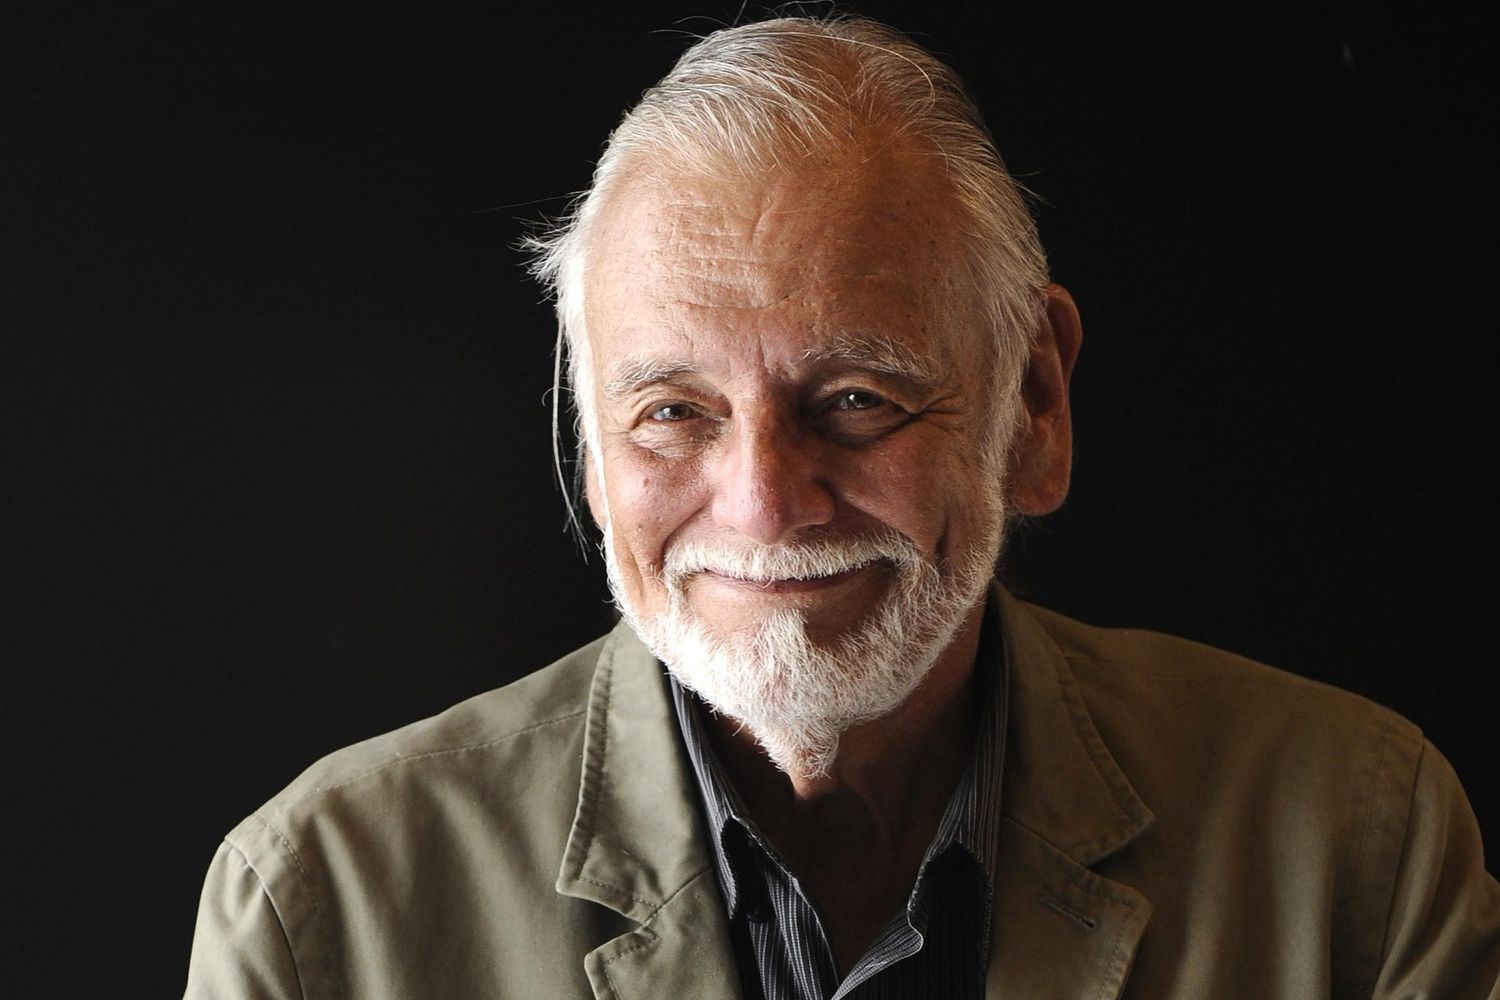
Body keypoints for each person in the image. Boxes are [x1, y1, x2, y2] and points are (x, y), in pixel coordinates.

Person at [184, 15, 1499, 999]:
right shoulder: (325, 912)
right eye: (674, 411)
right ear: (588, 445)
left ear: (1033, 406)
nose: (764, 503)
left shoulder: (1353, 853)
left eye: (857, 399)